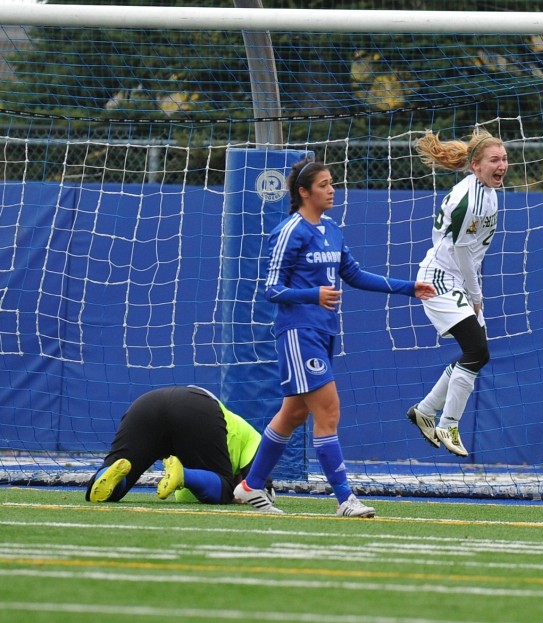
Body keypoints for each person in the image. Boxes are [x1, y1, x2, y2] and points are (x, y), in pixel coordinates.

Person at [232, 158, 435, 516]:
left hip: (324, 331)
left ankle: (249, 486)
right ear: (303, 192)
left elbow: (353, 275)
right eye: (324, 185)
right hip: (298, 332)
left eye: (331, 183)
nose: (331, 190)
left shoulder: (331, 229)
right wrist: (313, 295)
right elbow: (271, 290)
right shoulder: (290, 230)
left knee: (293, 414)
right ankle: (346, 499)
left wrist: (409, 289)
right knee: (329, 410)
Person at [404, 128, 507, 458]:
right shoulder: (471, 199)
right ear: (476, 166)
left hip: (458, 280)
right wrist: (476, 297)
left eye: (504, 158)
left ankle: (425, 411)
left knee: (476, 354)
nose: (502, 165)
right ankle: (447, 423)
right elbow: (462, 254)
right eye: (494, 160)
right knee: (477, 351)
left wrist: (472, 291)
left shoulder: (488, 191)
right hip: (440, 280)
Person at [86, 385, 269, 505]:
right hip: (199, 408)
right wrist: (242, 492)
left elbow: (189, 494)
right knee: (224, 490)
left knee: (112, 492)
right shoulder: (252, 438)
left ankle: (108, 473)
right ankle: (184, 476)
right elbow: (261, 485)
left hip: (146, 404)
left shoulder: (186, 485)